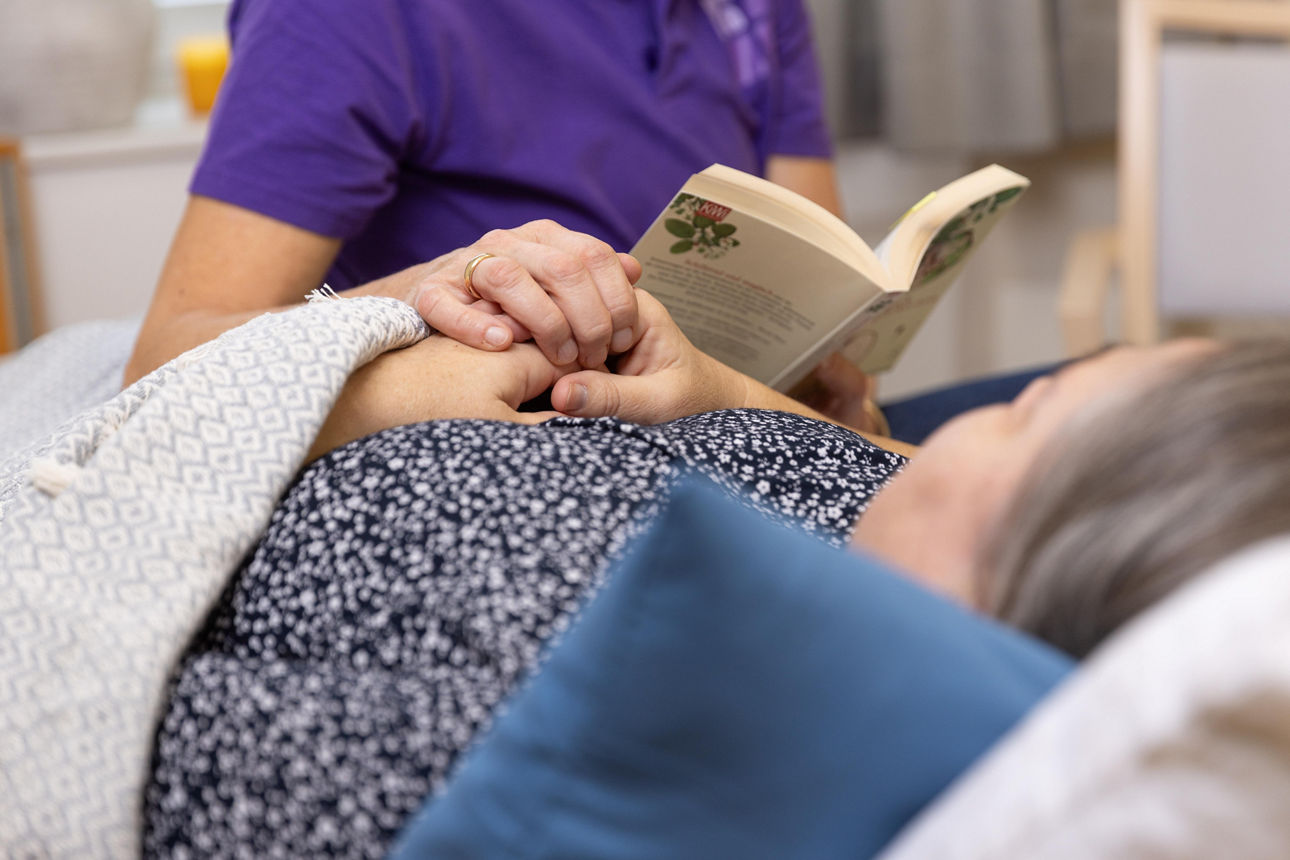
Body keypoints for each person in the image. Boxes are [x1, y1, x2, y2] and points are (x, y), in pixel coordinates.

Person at [144, 287, 1290, 856]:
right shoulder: (892, 526)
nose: (957, 427)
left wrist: (354, 394)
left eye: (1025, 410)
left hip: (220, 434)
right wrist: (729, 389)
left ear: (1009, 578)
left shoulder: (587, 698)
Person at [122, 0, 881, 426]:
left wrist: (830, 409)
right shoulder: (343, 15)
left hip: (751, 428)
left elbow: (824, 282)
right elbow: (164, 360)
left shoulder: (757, 13)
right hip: (544, 451)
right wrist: (431, 285)